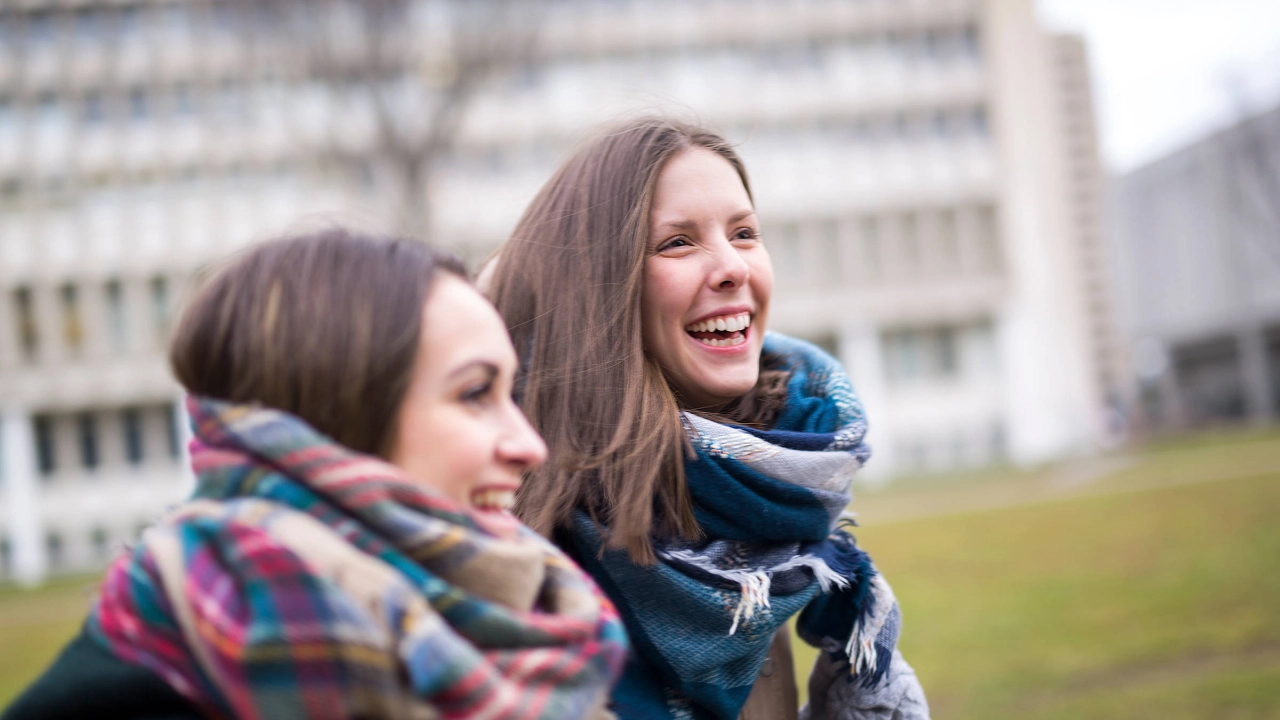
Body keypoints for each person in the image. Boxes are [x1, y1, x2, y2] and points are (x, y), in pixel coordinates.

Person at [3, 228, 628, 720]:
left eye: (510, 394)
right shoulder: (143, 697)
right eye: (474, 394)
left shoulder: (538, 632)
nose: (529, 446)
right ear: (334, 421)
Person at [485, 118, 930, 720]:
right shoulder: (508, 531)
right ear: (593, 292)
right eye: (677, 242)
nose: (733, 268)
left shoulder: (766, 486)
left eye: (744, 233)